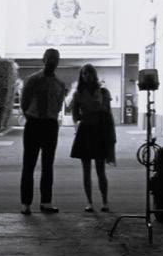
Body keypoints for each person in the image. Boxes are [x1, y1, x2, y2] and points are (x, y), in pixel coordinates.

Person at [19, 48, 68, 214]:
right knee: (29, 165)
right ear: (44, 59)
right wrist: (31, 117)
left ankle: (46, 202)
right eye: (50, 58)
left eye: (56, 58)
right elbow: (24, 103)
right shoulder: (32, 80)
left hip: (50, 125)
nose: (53, 61)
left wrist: (51, 118)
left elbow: (58, 105)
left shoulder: (59, 84)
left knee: (48, 165)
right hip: (34, 123)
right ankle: (26, 203)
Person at [69, 64, 117, 212]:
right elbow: (75, 115)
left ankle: (105, 202)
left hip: (100, 131)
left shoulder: (103, 92)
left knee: (100, 169)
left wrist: (111, 134)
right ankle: (89, 202)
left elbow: (109, 114)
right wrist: (78, 125)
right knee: (86, 170)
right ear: (81, 76)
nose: (86, 76)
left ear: (94, 75)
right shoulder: (78, 94)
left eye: (89, 73)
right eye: (84, 74)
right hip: (85, 131)